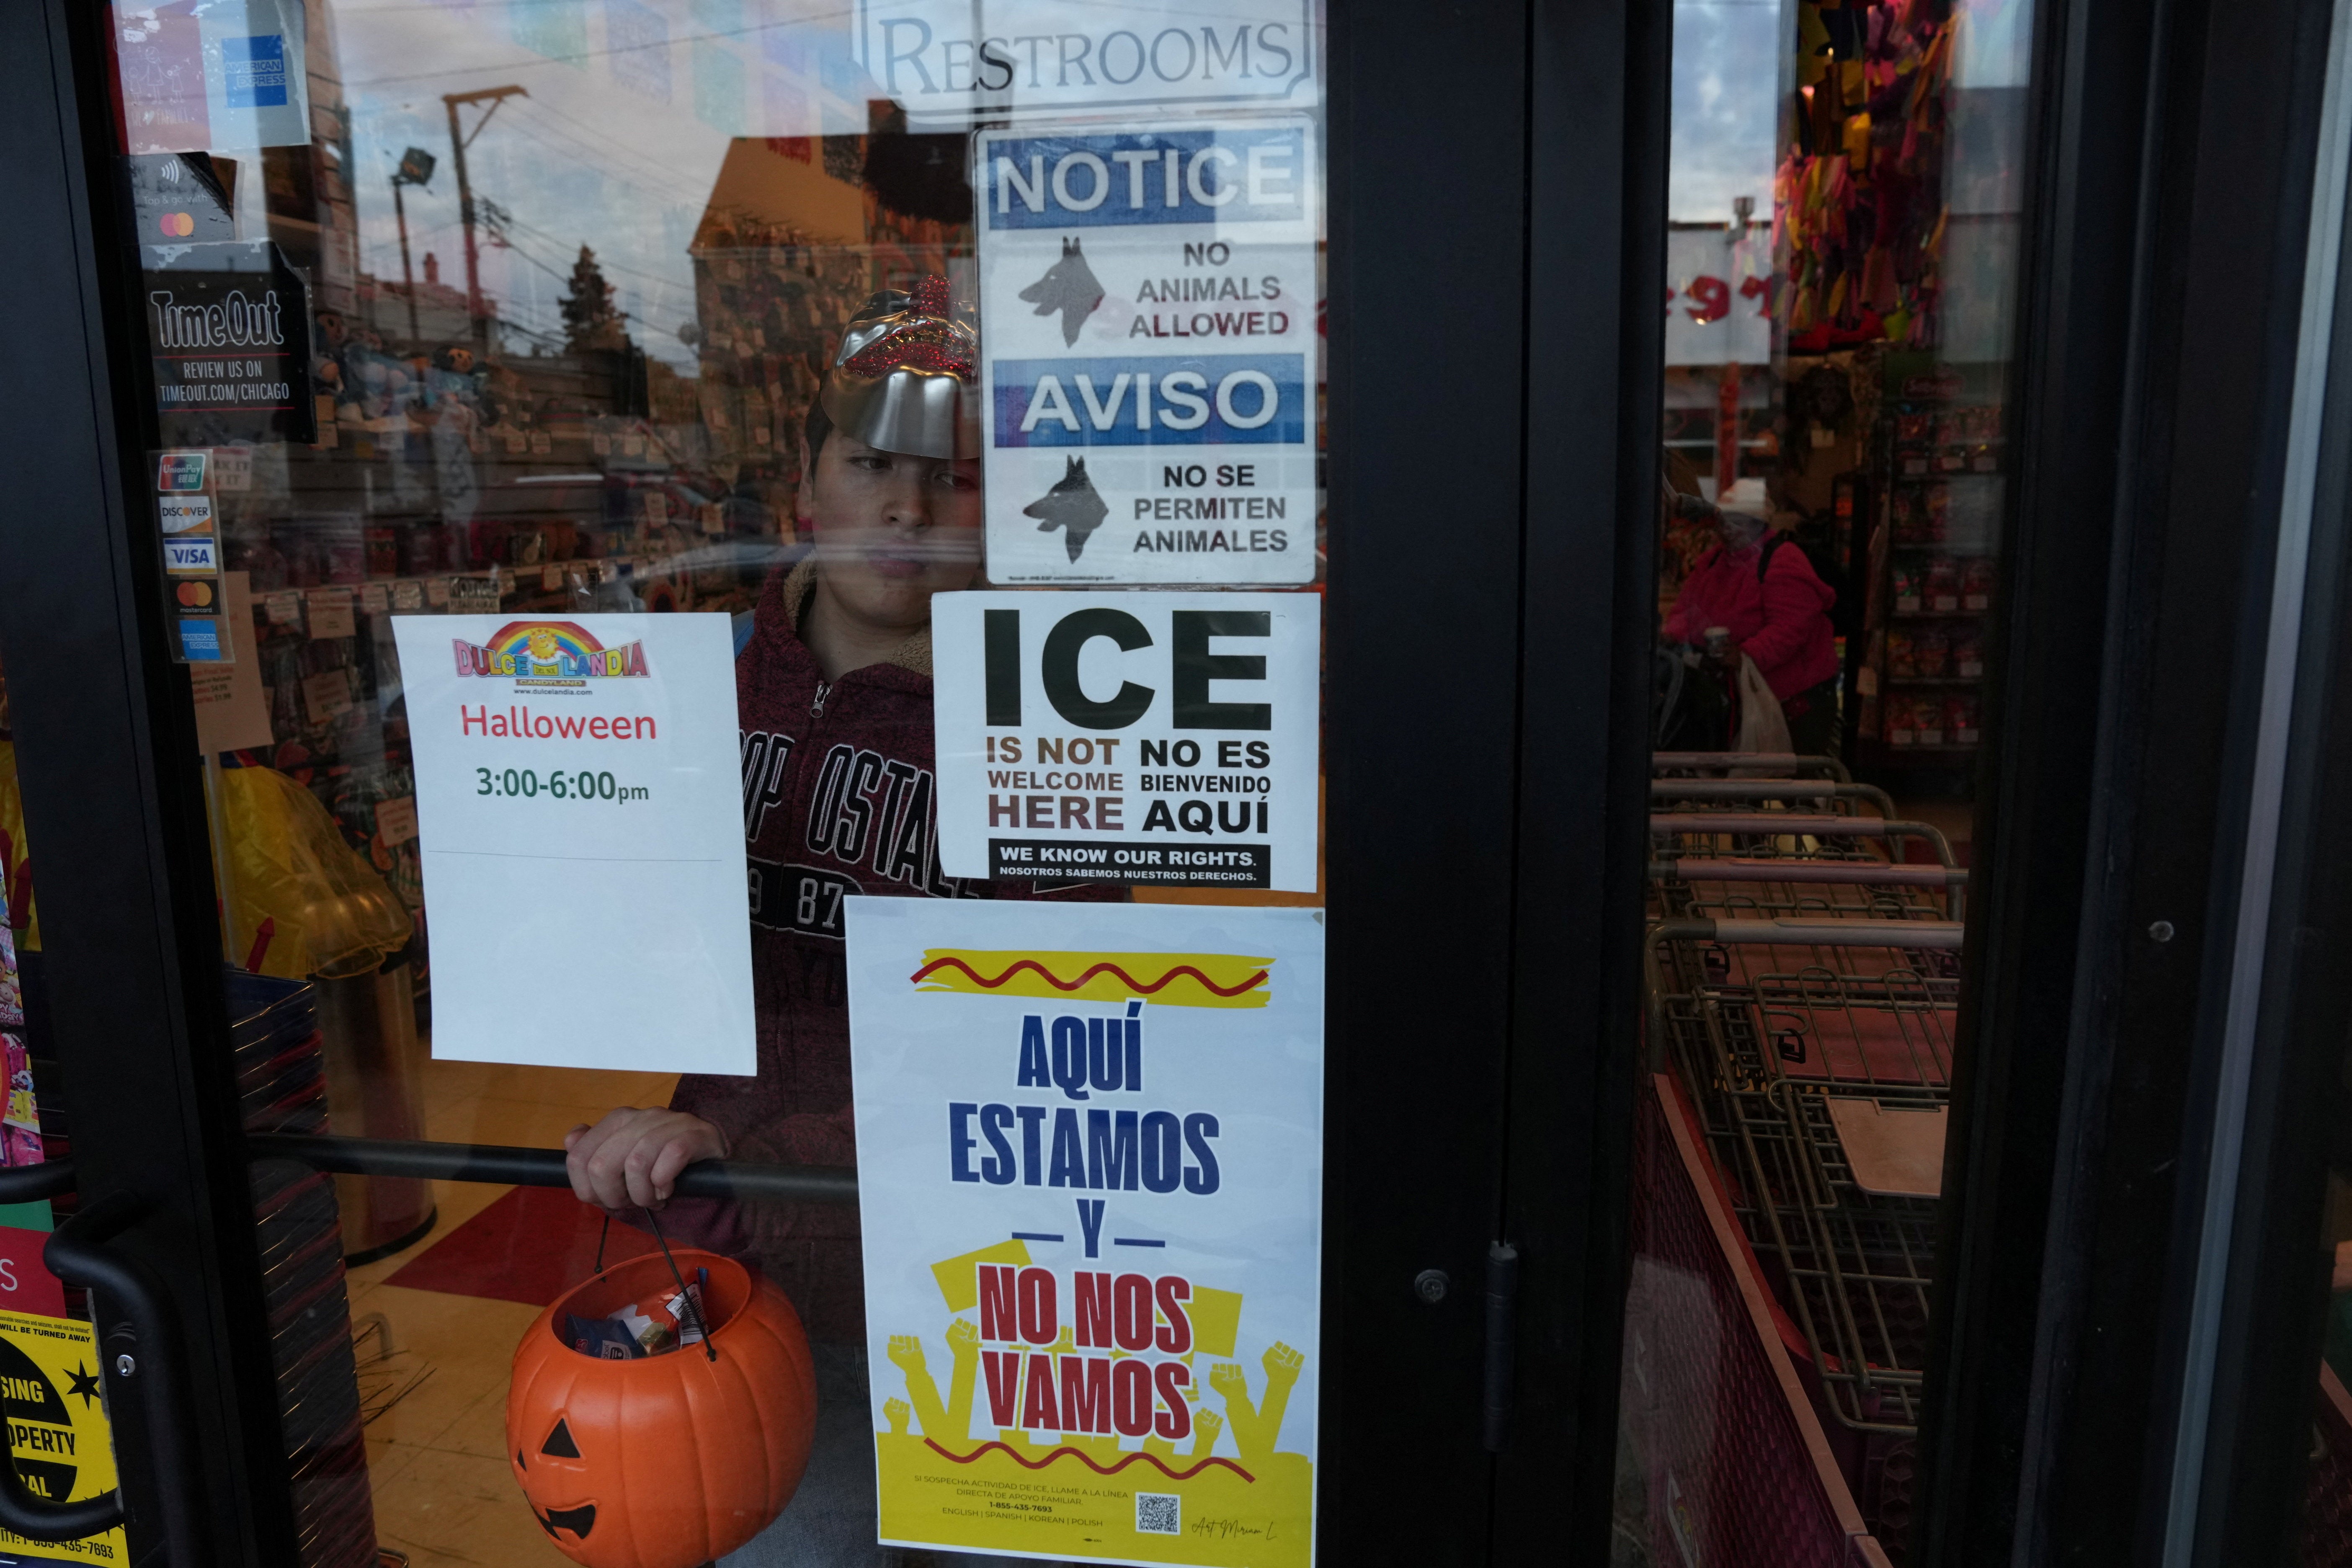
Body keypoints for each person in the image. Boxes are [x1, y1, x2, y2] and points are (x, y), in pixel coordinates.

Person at [562, 276, 1102, 1566]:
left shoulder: (1055, 714)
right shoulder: (699, 681)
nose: (910, 509)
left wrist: (738, 1135)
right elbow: (621, 941)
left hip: (950, 1282)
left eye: (957, 478)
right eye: (872, 462)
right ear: (808, 481)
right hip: (724, 1261)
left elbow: (1057, 1042)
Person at [1661, 503, 1842, 756]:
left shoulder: (1783, 559)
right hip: (1741, 697)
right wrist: (1673, 633)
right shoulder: (1713, 560)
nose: (1728, 530)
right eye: (1723, 522)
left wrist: (1746, 655)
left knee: (1791, 782)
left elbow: (1789, 629)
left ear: (1759, 524)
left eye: (1738, 522)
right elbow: (1687, 607)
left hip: (1792, 701)